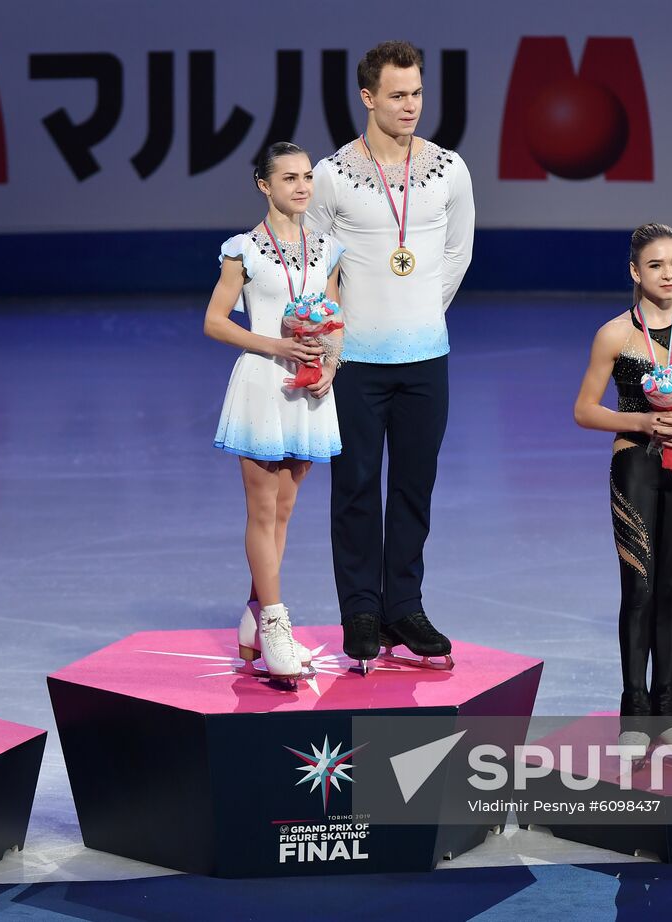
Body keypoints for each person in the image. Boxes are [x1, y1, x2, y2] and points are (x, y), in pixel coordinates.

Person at [306, 40, 474, 671]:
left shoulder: (450, 170)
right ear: (368, 97)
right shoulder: (329, 175)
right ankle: (361, 612)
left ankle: (405, 606)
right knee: (354, 488)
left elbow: (458, 252)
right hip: (354, 362)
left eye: (418, 93)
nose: (411, 105)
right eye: (397, 95)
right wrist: (333, 341)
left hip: (427, 358)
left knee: (413, 487)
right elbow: (317, 264)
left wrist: (422, 315)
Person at [574, 224, 672, 755]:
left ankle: (669, 707)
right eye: (657, 265)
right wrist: (642, 423)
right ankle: (634, 708)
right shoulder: (614, 334)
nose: (669, 274)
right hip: (634, 465)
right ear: (636, 273)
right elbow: (585, 410)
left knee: (671, 588)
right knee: (638, 588)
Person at [205, 142, 344, 688]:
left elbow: (334, 319)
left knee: (285, 512)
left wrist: (330, 364)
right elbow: (216, 322)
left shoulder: (328, 250)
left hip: (311, 391)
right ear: (265, 185)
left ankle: (252, 616)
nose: (302, 187)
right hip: (264, 386)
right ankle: (276, 625)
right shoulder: (244, 251)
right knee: (263, 512)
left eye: (307, 177)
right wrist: (274, 346)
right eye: (289, 178)